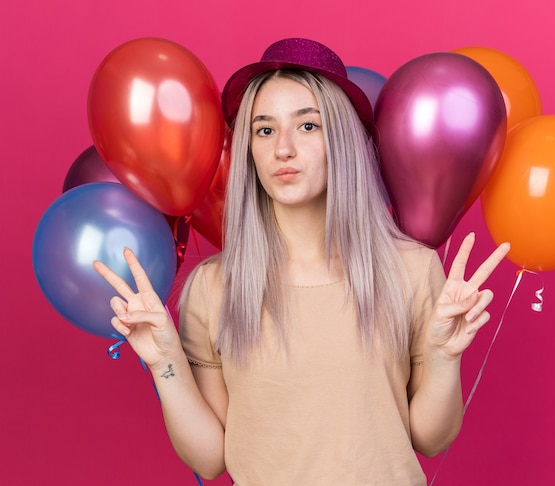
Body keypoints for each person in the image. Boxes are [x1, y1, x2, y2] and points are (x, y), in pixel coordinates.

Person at [94, 38, 510, 486]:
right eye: (265, 130)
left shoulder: (412, 269)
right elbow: (211, 458)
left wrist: (445, 358)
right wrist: (165, 364)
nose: (284, 149)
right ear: (249, 150)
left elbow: (431, 439)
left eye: (308, 126)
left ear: (344, 139)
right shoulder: (214, 287)